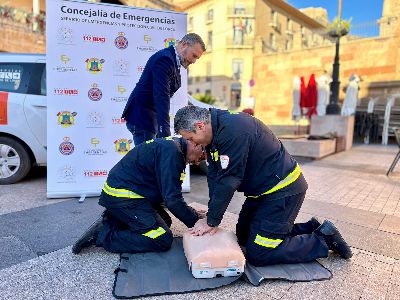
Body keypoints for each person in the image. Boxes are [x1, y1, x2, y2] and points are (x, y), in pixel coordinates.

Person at [174, 105, 352, 266]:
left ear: (200, 125)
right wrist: (211, 213)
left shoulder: (233, 131)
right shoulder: (213, 134)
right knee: (243, 237)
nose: (193, 144)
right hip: (261, 192)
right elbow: (215, 177)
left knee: (260, 253)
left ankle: (323, 239)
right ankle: (309, 227)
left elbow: (229, 181)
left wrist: (212, 221)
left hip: (283, 190)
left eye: (191, 138)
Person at [72, 137, 204, 254]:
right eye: (201, 156)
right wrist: (198, 224)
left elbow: (169, 194)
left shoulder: (173, 147)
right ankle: (103, 235)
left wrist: (193, 214)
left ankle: (115, 220)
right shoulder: (172, 154)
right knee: (162, 238)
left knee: (166, 221)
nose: (198, 163)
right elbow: (173, 201)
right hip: (124, 197)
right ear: (195, 143)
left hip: (130, 193)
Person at [122, 33, 205, 146]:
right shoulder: (165, 59)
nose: (194, 61)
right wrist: (165, 136)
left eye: (197, 58)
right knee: (148, 162)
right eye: (194, 55)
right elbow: (162, 97)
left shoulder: (172, 60)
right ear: (184, 44)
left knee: (150, 160)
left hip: (147, 119)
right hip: (143, 118)